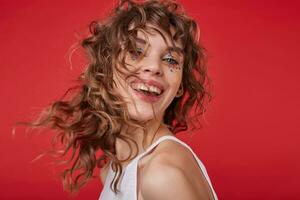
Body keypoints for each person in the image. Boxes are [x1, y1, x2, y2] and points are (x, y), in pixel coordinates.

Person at [25, 0, 218, 199]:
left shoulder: (161, 175)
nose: (154, 67)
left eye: (170, 60)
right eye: (136, 51)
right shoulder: (115, 169)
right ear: (107, 67)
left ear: (180, 86)